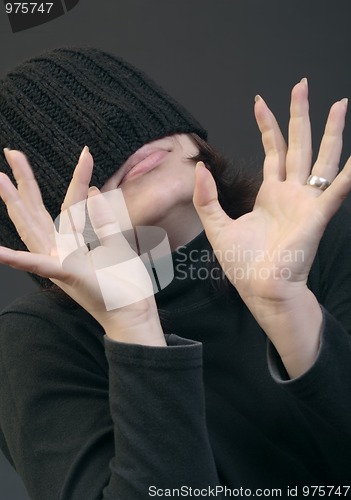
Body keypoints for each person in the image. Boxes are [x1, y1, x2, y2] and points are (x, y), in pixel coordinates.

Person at [0, 47, 350, 499]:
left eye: (126, 103)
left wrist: (289, 308)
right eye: (68, 149)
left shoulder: (316, 235)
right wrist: (136, 328)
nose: (124, 138)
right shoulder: (40, 339)